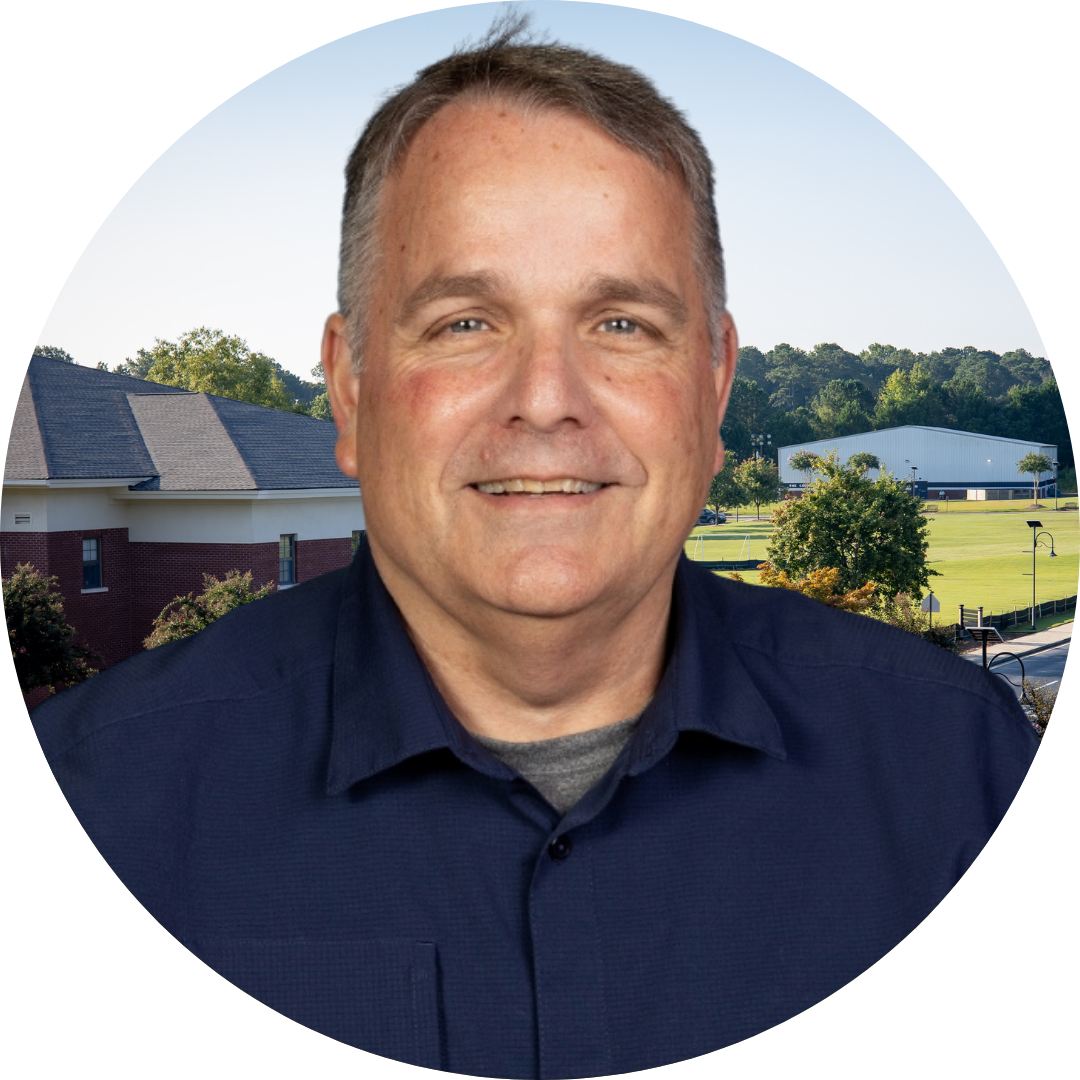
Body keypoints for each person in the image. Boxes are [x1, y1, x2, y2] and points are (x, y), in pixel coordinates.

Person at [30, 16, 1039, 1075]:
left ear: (715, 382)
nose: (547, 402)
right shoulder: (104, 799)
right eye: (466, 322)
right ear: (350, 382)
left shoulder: (962, 778)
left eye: (622, 325)